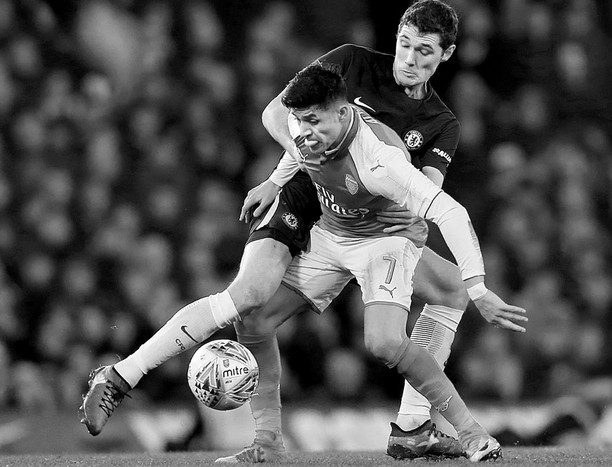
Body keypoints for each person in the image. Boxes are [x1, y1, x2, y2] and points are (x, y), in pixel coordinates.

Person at [79, 0, 526, 461]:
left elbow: (428, 199)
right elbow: (282, 112)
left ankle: (415, 426)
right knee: (250, 301)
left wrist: (470, 280)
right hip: (308, 196)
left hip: (374, 223)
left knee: (445, 295)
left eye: (424, 52)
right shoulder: (349, 63)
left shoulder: (429, 131)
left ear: (446, 55)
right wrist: (287, 170)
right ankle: (238, 429)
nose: (410, 60)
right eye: (404, 45)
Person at [230, 63, 505, 462]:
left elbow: (451, 213)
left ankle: (470, 432)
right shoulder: (309, 125)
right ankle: (268, 443)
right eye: (298, 120)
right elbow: (291, 139)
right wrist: (274, 180)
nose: (302, 129)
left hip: (383, 240)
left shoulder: (383, 158)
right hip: (334, 233)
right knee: (252, 319)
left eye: (310, 119)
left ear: (342, 113)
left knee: (384, 341)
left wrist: (478, 286)